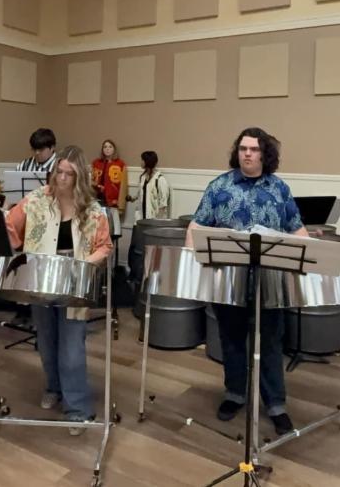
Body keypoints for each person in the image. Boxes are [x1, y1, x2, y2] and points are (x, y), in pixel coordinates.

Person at [187, 128, 307, 437]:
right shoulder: (219, 186)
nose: (248, 154)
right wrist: (191, 262)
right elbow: (196, 227)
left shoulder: (279, 188)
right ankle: (235, 394)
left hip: (271, 282)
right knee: (231, 339)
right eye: (243, 149)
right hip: (227, 282)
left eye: (254, 149)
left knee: (271, 342)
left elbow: (296, 229)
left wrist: (309, 255)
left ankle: (276, 404)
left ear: (265, 154)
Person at [5, 146, 112, 435]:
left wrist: (84, 264)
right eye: (58, 172)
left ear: (80, 177)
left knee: (71, 346)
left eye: (69, 174)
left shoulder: (92, 209)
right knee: (46, 340)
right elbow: (11, 227)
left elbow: (104, 246)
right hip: (40, 280)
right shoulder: (37, 200)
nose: (62, 178)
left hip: (74, 282)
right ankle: (54, 387)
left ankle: (78, 409)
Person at [92, 139, 129, 222]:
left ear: (114, 149)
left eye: (110, 147)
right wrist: (97, 186)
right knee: (98, 224)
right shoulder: (96, 163)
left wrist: (121, 205)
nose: (107, 149)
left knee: (111, 224)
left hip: (113, 201)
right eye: (105, 147)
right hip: (98, 198)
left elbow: (123, 187)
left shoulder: (120, 164)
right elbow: (92, 180)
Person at [131, 150, 170, 220]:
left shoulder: (160, 179)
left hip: (155, 219)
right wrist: (133, 198)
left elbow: (163, 202)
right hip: (142, 216)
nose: (141, 162)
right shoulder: (142, 177)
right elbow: (141, 192)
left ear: (147, 161)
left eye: (142, 160)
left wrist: (158, 220)